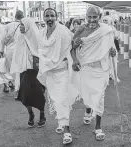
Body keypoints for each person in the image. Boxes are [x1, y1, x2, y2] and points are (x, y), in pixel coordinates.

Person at [71, 6, 117, 141]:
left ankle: (97, 127)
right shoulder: (80, 30)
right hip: (85, 68)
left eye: (95, 17)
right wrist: (74, 58)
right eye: (89, 17)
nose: (92, 20)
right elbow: (71, 47)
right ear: (86, 17)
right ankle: (88, 109)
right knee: (88, 94)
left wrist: (113, 53)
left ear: (99, 17)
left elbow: (111, 48)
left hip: (101, 69)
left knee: (99, 97)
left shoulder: (106, 30)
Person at [36, 8, 79, 145]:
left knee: (61, 101)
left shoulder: (63, 31)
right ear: (43, 18)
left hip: (62, 72)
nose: (49, 18)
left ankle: (67, 131)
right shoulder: (42, 34)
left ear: (56, 17)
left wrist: (75, 59)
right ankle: (61, 122)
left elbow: (72, 45)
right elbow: (41, 51)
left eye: (52, 16)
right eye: (47, 16)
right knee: (55, 100)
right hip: (49, 74)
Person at [10, 18, 46, 128]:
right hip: (23, 70)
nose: (20, 27)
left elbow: (42, 51)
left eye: (22, 25)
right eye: (20, 24)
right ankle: (30, 114)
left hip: (35, 70)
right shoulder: (20, 37)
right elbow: (17, 53)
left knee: (38, 94)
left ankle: (42, 114)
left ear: (28, 25)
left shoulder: (36, 35)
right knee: (24, 95)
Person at [1, 10, 24, 97]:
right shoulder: (24, 25)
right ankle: (19, 90)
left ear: (15, 16)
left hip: (10, 51)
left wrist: (2, 50)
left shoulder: (8, 26)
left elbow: (3, 39)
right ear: (23, 17)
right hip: (21, 51)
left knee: (12, 71)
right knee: (21, 71)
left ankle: (14, 87)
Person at [102, 16, 120, 81]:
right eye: (103, 20)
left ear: (109, 21)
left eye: (106, 20)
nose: (104, 22)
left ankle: (114, 76)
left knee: (113, 61)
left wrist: (117, 48)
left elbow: (116, 37)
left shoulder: (112, 28)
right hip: (103, 47)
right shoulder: (101, 28)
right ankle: (107, 76)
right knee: (105, 62)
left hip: (111, 46)